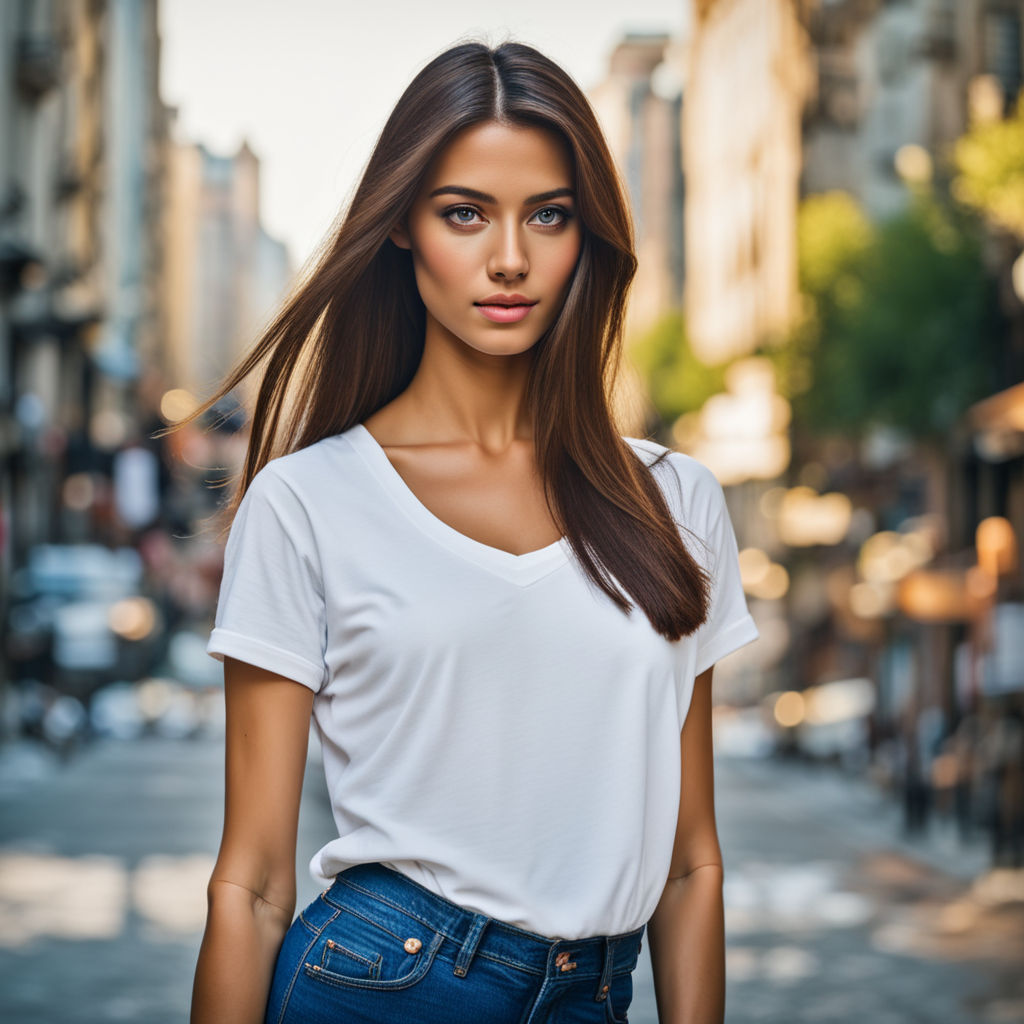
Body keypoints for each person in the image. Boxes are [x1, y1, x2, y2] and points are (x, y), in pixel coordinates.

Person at [187, 38, 759, 1024]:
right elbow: (252, 881)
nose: (508, 258)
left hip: (592, 996)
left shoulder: (676, 500)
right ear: (403, 225)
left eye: (549, 215)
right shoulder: (306, 503)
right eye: (465, 213)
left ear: (588, 237)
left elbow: (689, 860)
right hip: (374, 985)